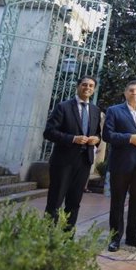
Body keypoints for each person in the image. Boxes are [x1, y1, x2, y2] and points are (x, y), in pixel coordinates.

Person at [103, 80, 136, 252]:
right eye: (131, 90)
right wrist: (129, 138)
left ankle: (133, 236)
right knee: (118, 201)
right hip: (121, 162)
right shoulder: (114, 110)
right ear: (125, 93)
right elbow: (107, 135)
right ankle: (115, 238)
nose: (134, 93)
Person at [43, 76, 102, 230]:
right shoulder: (63, 107)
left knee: (74, 201)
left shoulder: (95, 110)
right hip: (63, 161)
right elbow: (49, 132)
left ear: (94, 89)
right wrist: (73, 139)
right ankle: (48, 237)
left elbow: (98, 134)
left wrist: (96, 139)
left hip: (84, 162)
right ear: (78, 87)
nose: (87, 88)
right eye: (84, 85)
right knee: (55, 201)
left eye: (91, 86)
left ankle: (67, 238)